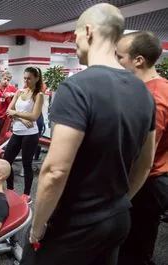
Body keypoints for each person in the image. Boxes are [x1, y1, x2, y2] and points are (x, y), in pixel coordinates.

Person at [29, 4, 156, 265]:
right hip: (117, 218)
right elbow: (145, 165)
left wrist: (37, 226)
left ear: (88, 31)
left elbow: (54, 171)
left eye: (74, 34)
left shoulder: (76, 88)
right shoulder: (144, 91)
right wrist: (117, 205)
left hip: (75, 222)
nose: (73, 41)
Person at [116, 31, 168, 265]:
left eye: (120, 57)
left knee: (134, 251)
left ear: (138, 60)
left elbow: (143, 156)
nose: (117, 63)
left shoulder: (154, 96)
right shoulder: (156, 88)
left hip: (146, 182)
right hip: (150, 178)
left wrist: (123, 198)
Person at [3, 67, 44, 197]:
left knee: (27, 164)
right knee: (6, 162)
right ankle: (10, 190)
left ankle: (26, 195)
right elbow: (8, 111)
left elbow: (34, 117)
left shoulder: (39, 95)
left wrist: (15, 113)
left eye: (29, 78)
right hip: (17, 132)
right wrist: (20, 117)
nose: (26, 81)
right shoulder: (19, 92)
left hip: (30, 134)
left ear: (37, 78)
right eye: (25, 78)